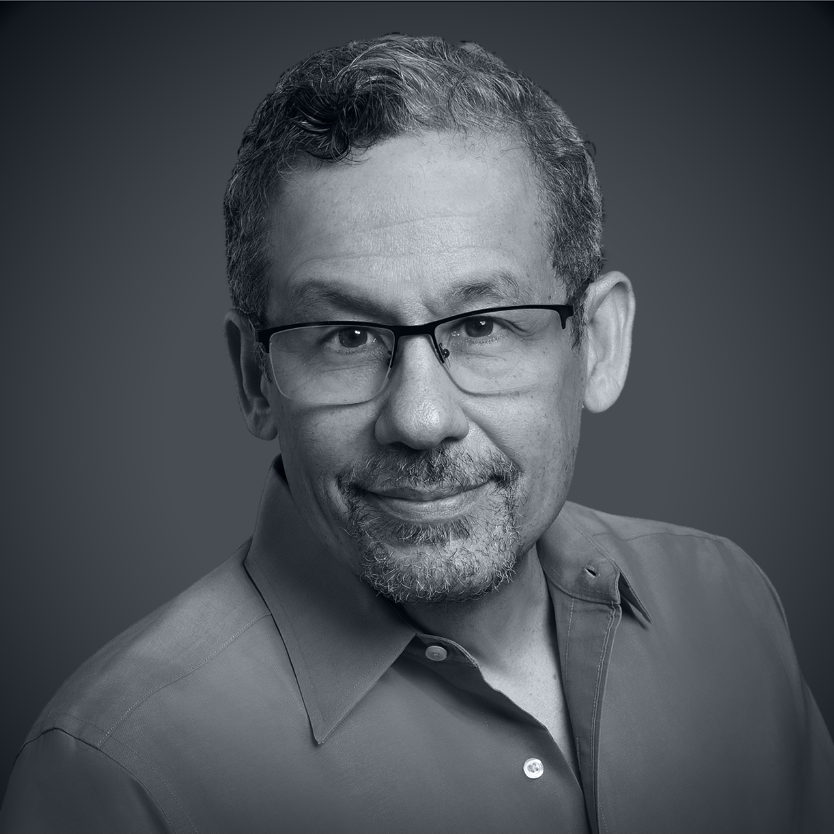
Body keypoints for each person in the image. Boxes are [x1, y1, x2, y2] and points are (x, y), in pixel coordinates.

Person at [1, 33, 832, 834]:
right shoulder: (120, 768)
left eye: (482, 325)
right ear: (257, 379)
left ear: (600, 344)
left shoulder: (729, 607)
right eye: (347, 337)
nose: (421, 420)